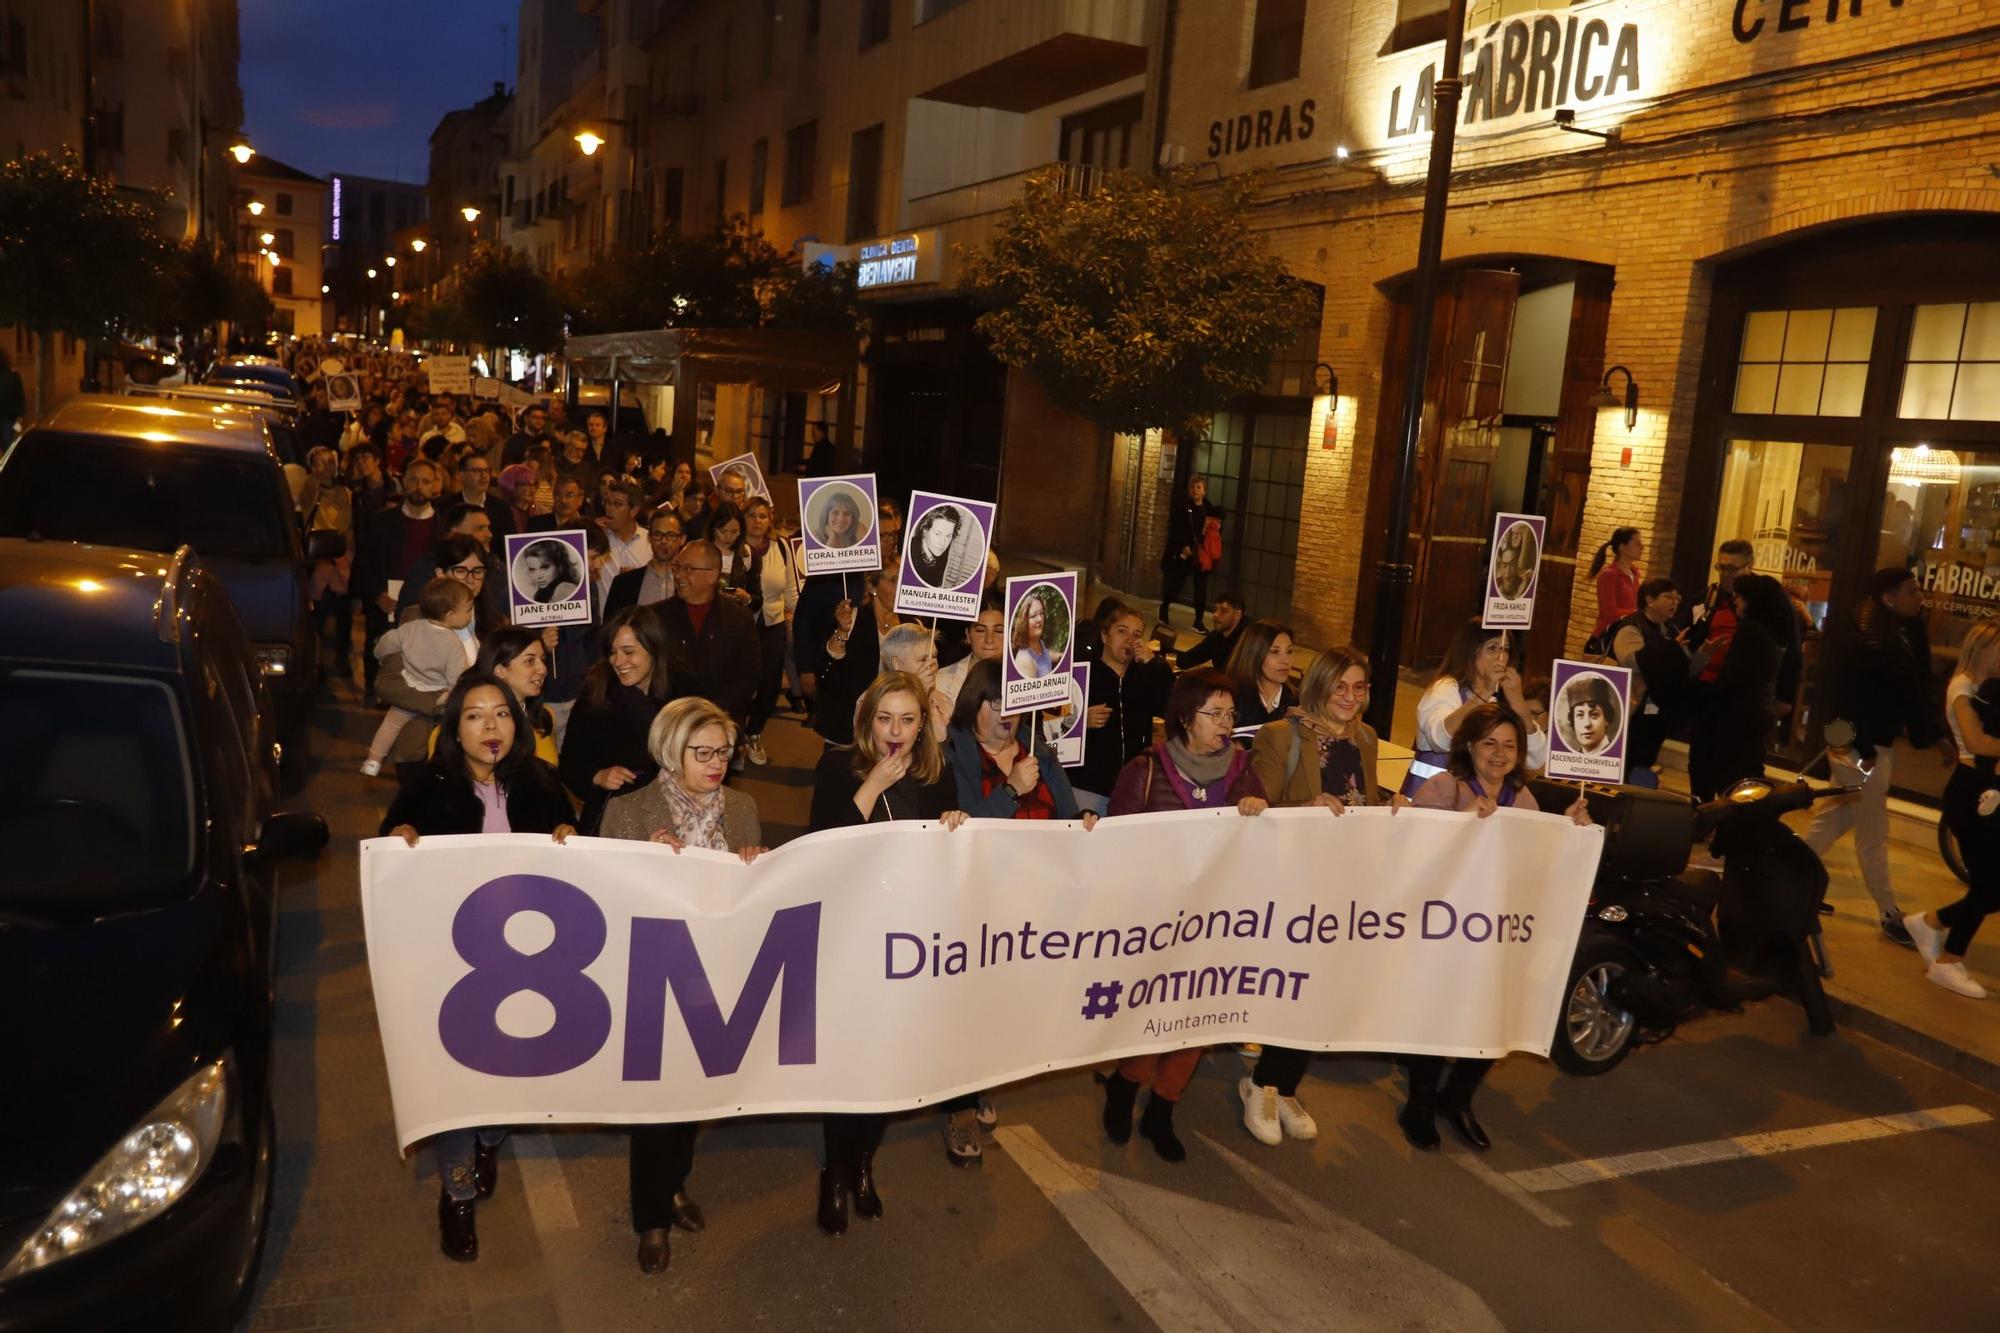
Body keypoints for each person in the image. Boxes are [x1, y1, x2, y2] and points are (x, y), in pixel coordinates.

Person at [379, 674, 576, 1261]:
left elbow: (575, 854)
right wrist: (400, 837)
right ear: (453, 729)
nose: (490, 728)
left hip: (529, 962)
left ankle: (492, 1136)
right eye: (474, 716)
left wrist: (569, 834)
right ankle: (457, 1194)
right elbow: (388, 850)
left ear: (517, 724)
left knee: (512, 1066)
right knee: (458, 1079)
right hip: (452, 963)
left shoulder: (539, 781)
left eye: (501, 715)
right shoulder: (426, 786)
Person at [600, 697, 767, 1273]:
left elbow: (754, 895)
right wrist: (640, 865)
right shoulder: (626, 812)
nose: (717, 763)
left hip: (716, 978)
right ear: (671, 752)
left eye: (724, 751)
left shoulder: (742, 807)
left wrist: (758, 866)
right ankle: (650, 1218)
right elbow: (604, 901)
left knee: (693, 1099)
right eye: (703, 753)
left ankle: (674, 1186)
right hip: (652, 977)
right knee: (655, 1108)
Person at [808, 671, 968, 1233]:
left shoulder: (936, 773)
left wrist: (956, 826)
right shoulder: (837, 768)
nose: (895, 732)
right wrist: (872, 784)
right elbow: (823, 851)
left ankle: (864, 1163)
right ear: (866, 721)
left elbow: (947, 862)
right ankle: (833, 1170)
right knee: (850, 1062)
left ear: (923, 725)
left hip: (908, 941)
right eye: (884, 719)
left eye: (907, 719)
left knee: (889, 1062)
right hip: (851, 937)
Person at [1401, 704, 1590, 1152]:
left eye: (1510, 745)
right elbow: (1413, 856)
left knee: (1491, 1018)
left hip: (1497, 934)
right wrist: (1464, 827)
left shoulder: (1523, 801)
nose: (1499, 753)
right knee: (1438, 1017)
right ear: (1469, 745)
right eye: (1489, 743)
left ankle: (1458, 1098)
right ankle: (1421, 1103)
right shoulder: (1443, 787)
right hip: (1444, 932)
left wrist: (1569, 831)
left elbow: (1535, 864)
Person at [1101, 668, 1268, 1162]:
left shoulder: (1242, 771)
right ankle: (1126, 1086)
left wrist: (1261, 812)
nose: (1224, 723)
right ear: (1184, 718)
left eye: (1230, 714)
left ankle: (1162, 1110)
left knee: (1197, 1020)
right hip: (1157, 921)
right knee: (1153, 1013)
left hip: (1216, 922)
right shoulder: (1145, 768)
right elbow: (1120, 839)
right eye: (1213, 713)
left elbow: (1262, 844)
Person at [937, 658, 1097, 1163]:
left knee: (998, 1011)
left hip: (1029, 913)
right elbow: (959, 832)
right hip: (974, 909)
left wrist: (1087, 821)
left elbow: (1070, 818)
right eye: (995, 702)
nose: (1007, 714)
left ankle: (977, 1078)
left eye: (1015, 703)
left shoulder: (1040, 754)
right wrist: (1011, 791)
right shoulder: (951, 756)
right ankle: (958, 1109)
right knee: (964, 1010)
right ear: (974, 704)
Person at [1242, 646, 1402, 1146]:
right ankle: (1263, 1085)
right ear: (1319, 687)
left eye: (1359, 688)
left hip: (1348, 887)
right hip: (1295, 884)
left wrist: (1391, 809)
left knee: (1322, 990)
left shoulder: (1369, 738)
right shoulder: (1279, 735)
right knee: (1292, 986)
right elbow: (1256, 810)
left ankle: (1285, 1087)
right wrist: (1306, 805)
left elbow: (1363, 800)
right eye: (1340, 687)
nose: (1350, 698)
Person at [1809, 566, 1953, 946]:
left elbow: (1910, 694)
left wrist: (1934, 734)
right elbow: (1849, 701)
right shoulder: (1867, 642)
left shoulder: (1900, 636)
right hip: (1858, 749)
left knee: (1834, 819)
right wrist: (1868, 750)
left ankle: (1786, 880)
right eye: (1911, 591)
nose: (1919, 597)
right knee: (1872, 829)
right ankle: (1889, 913)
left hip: (1865, 746)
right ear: (1888, 598)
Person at [1905, 623, 2000, 998]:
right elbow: (1976, 742)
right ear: (1985, 649)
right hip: (1969, 790)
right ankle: (1947, 961)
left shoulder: (1985, 688)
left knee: (1992, 886)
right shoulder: (1963, 686)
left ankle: (1931, 922)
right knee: (1989, 885)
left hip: (1982, 789)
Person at [558, 606, 687, 833]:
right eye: (612, 652)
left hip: (678, 816)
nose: (618, 661)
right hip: (612, 816)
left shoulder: (685, 693)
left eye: (628, 652)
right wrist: (597, 776)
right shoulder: (595, 696)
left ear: (653, 648)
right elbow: (570, 763)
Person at [1403, 618, 1546, 797]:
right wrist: (1482, 694)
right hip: (1431, 802)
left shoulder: (1502, 699)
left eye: (1505, 649)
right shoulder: (1446, 688)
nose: (1501, 658)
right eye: (1492, 648)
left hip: (1476, 807)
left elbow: (1535, 758)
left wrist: (1518, 703)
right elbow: (1440, 739)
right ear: (1470, 652)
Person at [362, 576, 477, 777]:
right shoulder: (453, 644)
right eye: (467, 611)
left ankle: (373, 759)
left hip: (412, 683)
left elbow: (386, 643)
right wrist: (452, 694)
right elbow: (456, 678)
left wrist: (379, 655)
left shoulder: (411, 628)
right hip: (439, 693)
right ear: (450, 616)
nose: (470, 615)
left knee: (390, 724)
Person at [1072, 605, 1176, 815]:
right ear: (1104, 636)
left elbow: (1175, 708)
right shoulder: (1080, 675)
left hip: (1133, 789)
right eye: (1122, 631)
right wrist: (1080, 721)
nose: (1129, 639)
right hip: (1087, 787)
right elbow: (1047, 729)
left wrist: (1155, 664)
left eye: (1136, 634)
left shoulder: (1146, 676)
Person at [654, 539, 761, 731]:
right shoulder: (656, 617)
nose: (678, 575)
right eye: (677, 566)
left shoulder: (739, 618)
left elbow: (748, 675)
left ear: (712, 575)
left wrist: (713, 711)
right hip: (671, 724)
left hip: (721, 723)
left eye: (688, 569)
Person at [355, 458, 442, 694]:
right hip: (389, 598)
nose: (418, 486)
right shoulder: (382, 522)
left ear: (435, 485)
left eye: (425, 481)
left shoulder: (443, 526)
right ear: (404, 482)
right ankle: (377, 692)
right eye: (413, 480)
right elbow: (366, 562)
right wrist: (376, 594)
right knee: (384, 646)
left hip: (428, 600)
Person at [1684, 539, 1755, 800]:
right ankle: (1700, 812)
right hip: (1706, 687)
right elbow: (1689, 634)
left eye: (1732, 568)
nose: (1725, 574)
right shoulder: (1707, 597)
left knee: (1732, 760)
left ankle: (1726, 816)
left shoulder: (1761, 601)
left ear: (1749, 566)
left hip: (1740, 694)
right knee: (1700, 755)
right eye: (1720, 566)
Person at [1610, 577, 1690, 785]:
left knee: (1644, 761)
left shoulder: (1670, 629)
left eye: (1677, 597)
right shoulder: (1631, 627)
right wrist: (1670, 648)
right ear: (1649, 600)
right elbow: (1631, 660)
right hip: (1634, 709)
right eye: (1668, 597)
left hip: (1658, 711)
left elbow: (1685, 666)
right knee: (1627, 762)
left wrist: (1704, 655)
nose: (1674, 602)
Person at [742, 496, 798, 767]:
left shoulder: (782, 547)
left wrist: (795, 616)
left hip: (773, 624)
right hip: (742, 625)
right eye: (751, 515)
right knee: (741, 683)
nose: (757, 521)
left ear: (770, 520)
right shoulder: (736, 548)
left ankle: (753, 733)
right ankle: (733, 736)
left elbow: (790, 589)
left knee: (770, 685)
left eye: (762, 516)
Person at [1158, 474, 1223, 630]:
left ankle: (1199, 621)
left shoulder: (1208, 508)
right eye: (1193, 487)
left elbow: (1214, 530)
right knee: (1176, 583)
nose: (1195, 490)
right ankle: (1164, 608)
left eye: (1199, 487)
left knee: (1200, 587)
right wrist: (1183, 545)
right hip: (1186, 551)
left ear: (1204, 491)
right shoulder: (1183, 507)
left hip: (1201, 553)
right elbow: (1175, 528)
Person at [606, 508, 683, 618]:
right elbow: (611, 628)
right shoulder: (624, 583)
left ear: (682, 539)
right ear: (649, 538)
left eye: (671, 535)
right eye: (657, 534)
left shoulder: (689, 584)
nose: (664, 541)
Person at [936, 592, 1004, 715]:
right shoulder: (942, 680)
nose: (989, 639)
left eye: (999, 631)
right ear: (968, 635)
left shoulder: (1022, 678)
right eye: (980, 630)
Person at [1225, 619, 1297, 733]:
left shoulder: (1296, 703)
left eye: (1289, 651)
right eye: (1274, 652)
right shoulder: (1231, 697)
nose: (1285, 661)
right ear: (1254, 654)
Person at [595, 481, 651, 602]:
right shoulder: (598, 539)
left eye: (617, 504)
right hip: (604, 619)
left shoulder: (649, 541)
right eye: (608, 503)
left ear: (633, 511)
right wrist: (591, 530)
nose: (609, 509)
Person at [1587, 526, 1644, 645]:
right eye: (1637, 543)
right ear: (1622, 547)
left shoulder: (1635, 573)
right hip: (1605, 639)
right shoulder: (1609, 575)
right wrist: (1638, 614)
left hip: (1624, 636)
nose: (1642, 547)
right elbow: (1609, 612)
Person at [707, 502, 763, 619]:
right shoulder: (700, 552)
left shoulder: (747, 554)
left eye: (734, 532)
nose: (728, 537)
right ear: (713, 528)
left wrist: (746, 597)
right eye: (723, 531)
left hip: (735, 620)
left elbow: (757, 601)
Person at [450, 450, 514, 540]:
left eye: (486, 470)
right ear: (462, 475)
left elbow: (509, 543)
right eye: (477, 471)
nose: (484, 475)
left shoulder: (502, 507)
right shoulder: (447, 507)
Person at [1176, 592, 1248, 669]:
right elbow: (1188, 659)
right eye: (1215, 610)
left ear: (1237, 615)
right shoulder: (1217, 636)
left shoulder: (1248, 641)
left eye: (1223, 611)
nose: (1215, 615)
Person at [516, 537, 585, 606]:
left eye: (545, 568)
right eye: (532, 569)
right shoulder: (542, 593)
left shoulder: (565, 589)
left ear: (559, 565)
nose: (538, 576)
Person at [908, 504, 962, 588]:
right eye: (938, 534)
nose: (943, 543)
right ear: (925, 530)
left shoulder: (941, 556)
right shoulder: (909, 553)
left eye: (948, 536)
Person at [1010, 589, 1059, 680]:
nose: (1039, 619)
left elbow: (1046, 656)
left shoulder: (1039, 644)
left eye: (1041, 613)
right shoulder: (1025, 659)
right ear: (1024, 621)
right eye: (1033, 616)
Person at [0, 347, 26, 445]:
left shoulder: (13, 376)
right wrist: (20, 417)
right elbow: (20, 398)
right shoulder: (13, 376)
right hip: (8, 418)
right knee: (8, 445)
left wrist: (19, 416)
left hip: (7, 418)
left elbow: (19, 398)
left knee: (8, 444)